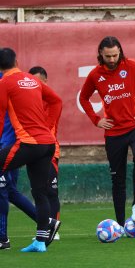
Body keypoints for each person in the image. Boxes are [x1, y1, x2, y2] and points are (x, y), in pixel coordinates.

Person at [79, 36, 135, 228]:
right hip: (114, 133)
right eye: (108, 56)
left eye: (115, 55)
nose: (112, 59)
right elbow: (84, 98)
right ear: (101, 54)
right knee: (118, 177)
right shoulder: (94, 75)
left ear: (120, 52)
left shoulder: (132, 66)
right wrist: (96, 119)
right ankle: (121, 224)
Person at [0, 48, 62, 252]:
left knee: (14, 189)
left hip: (29, 143)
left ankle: (3, 237)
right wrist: (49, 126)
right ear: (17, 61)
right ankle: (40, 242)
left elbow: (0, 118)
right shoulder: (32, 80)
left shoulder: (4, 83)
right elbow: (56, 101)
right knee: (40, 192)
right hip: (47, 144)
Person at [0, 72, 37, 250]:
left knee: (3, 191)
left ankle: (2, 238)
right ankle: (46, 222)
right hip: (9, 144)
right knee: (10, 191)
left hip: (7, 146)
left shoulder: (6, 82)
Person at [29, 66, 61, 241]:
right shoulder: (29, 101)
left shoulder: (52, 101)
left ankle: (53, 227)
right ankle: (44, 227)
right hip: (33, 149)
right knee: (39, 191)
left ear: (45, 82)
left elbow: (49, 128)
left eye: (38, 82)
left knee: (51, 191)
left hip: (49, 150)